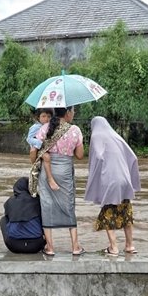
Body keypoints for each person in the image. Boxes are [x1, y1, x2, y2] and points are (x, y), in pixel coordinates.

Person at [29, 106, 84, 256]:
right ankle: (75, 246)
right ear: (67, 113)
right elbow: (80, 155)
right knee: (69, 206)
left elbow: (33, 151)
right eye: (73, 112)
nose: (73, 114)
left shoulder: (44, 128)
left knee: (47, 206)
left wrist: (36, 160)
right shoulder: (75, 130)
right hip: (65, 171)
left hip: (47, 173)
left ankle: (50, 248)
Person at [84, 116, 141, 256]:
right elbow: (133, 156)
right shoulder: (114, 136)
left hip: (110, 181)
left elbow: (97, 156)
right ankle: (130, 246)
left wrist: (94, 175)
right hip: (124, 180)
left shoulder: (97, 135)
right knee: (125, 212)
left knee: (107, 214)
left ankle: (113, 247)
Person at [0, 177, 46, 253]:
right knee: (43, 218)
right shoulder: (37, 200)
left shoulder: (10, 201)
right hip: (37, 245)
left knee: (3, 219)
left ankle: (14, 235)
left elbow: (8, 217)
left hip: (14, 246)